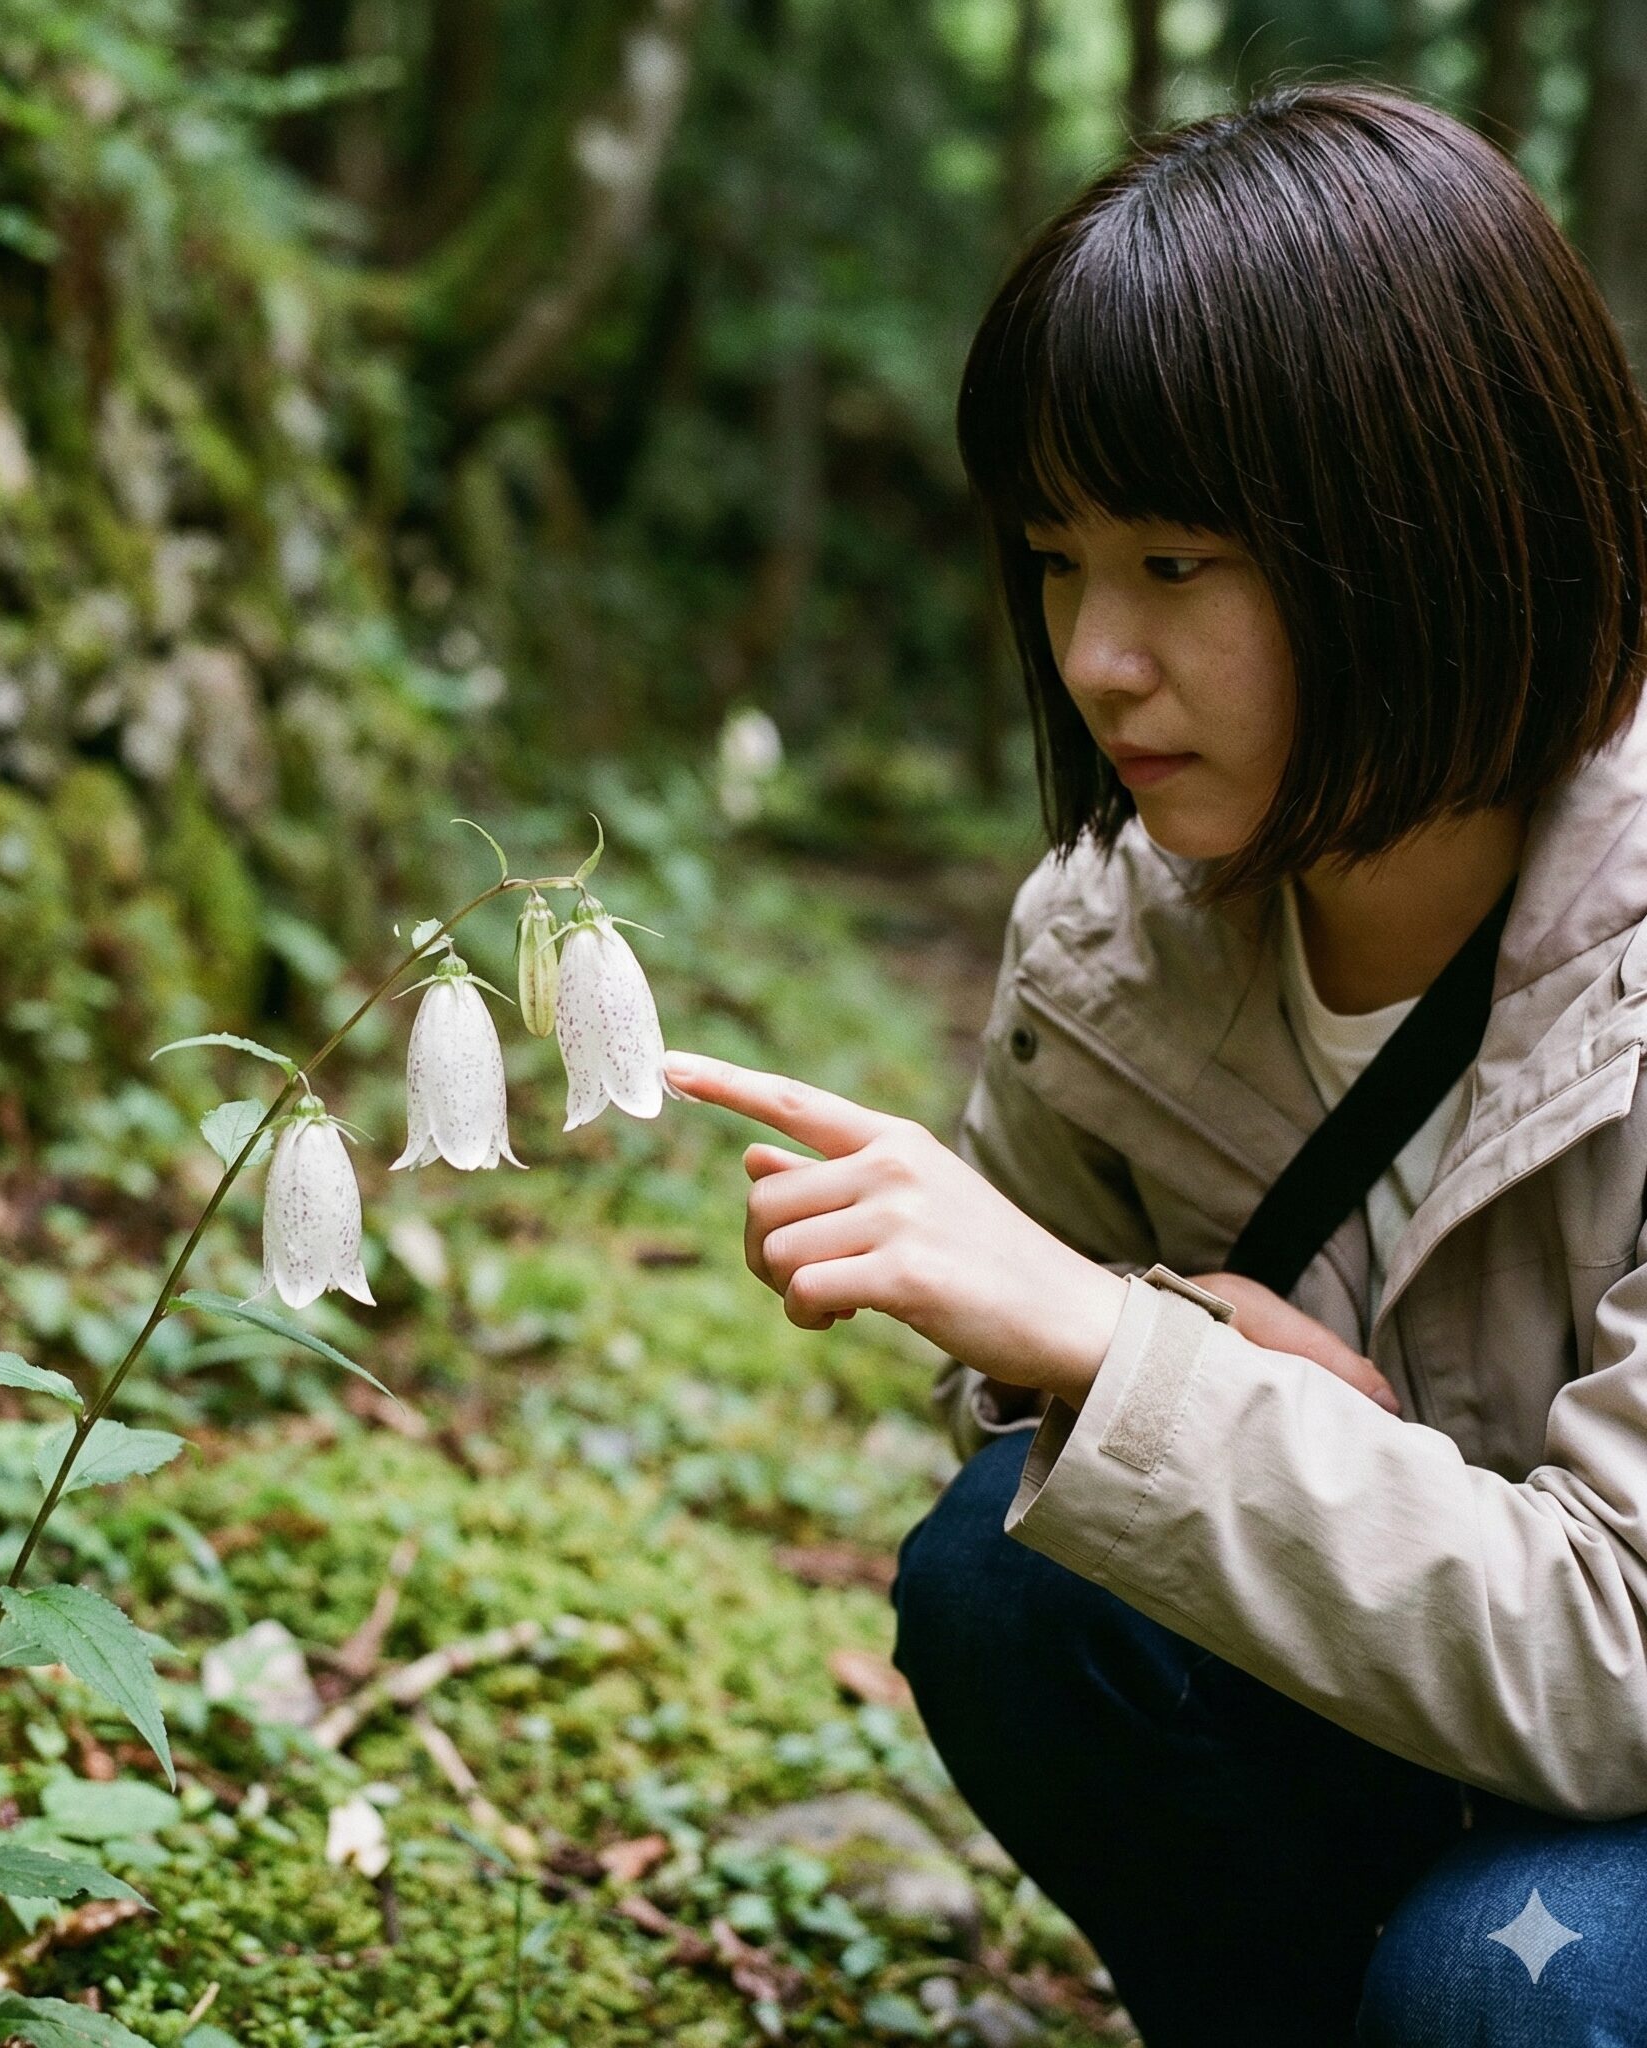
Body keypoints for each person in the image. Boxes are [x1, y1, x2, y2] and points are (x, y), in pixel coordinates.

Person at [662, 84, 1647, 2047]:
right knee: (1006, 1589)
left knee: (1503, 1990)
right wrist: (1129, 1346)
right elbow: (1055, 1473)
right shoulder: (1111, 953)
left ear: (1433, 534)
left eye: (1177, 566)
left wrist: (1131, 1355)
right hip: (1421, 1710)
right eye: (1055, 559)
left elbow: (1624, 1664)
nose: (1097, 657)